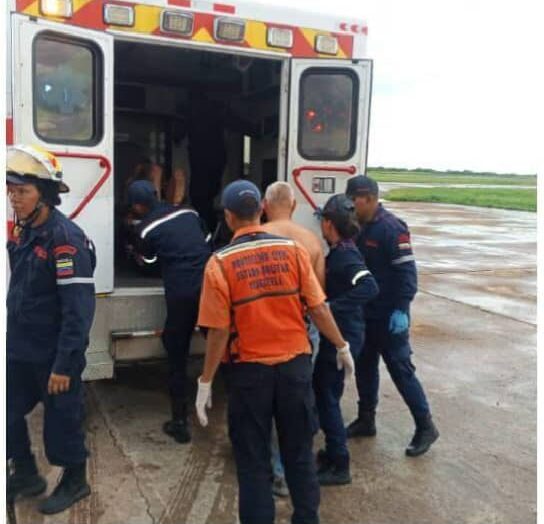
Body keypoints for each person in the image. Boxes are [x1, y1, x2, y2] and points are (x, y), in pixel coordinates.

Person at [195, 180, 354, 524]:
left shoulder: (219, 263)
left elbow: (219, 331)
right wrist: (341, 345)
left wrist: (206, 380)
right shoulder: (294, 250)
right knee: (299, 455)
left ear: (229, 217)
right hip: (295, 368)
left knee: (253, 463)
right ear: (260, 210)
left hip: (249, 374)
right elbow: (318, 307)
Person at [6, 145, 96, 514]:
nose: (13, 197)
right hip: (20, 348)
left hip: (53, 355)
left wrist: (64, 364)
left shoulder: (65, 240)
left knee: (62, 424)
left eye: (22, 191)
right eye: (10, 190)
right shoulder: (25, 231)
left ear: (44, 195)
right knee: (6, 411)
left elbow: (78, 312)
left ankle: (76, 481)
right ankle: (26, 473)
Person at [345, 175, 439, 457]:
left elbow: (407, 274)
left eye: (354, 200)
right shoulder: (358, 226)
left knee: (400, 370)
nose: (351, 205)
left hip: (389, 315)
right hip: (367, 314)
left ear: (369, 199)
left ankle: (425, 426)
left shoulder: (391, 228)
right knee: (365, 367)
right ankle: (366, 419)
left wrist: (401, 309)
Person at [127, 180, 211, 443]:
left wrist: (136, 254)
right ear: (157, 194)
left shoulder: (144, 229)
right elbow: (207, 241)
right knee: (221, 345)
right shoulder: (190, 212)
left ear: (137, 207)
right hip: (210, 288)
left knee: (177, 353)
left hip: (182, 293)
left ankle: (180, 422)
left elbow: (148, 263)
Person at [261, 181, 326, 496]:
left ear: (264, 206)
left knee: (263, 400)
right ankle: (289, 469)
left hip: (262, 330)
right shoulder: (311, 241)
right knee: (297, 400)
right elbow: (318, 296)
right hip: (301, 331)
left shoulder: (252, 238)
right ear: (295, 206)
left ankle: (269, 466)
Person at [314, 194, 379, 485]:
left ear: (329, 224)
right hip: (342, 332)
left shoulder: (346, 255)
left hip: (344, 333)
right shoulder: (341, 250)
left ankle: (340, 464)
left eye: (322, 220)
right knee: (329, 393)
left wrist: (331, 307)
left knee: (327, 397)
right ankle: (332, 452)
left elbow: (369, 286)